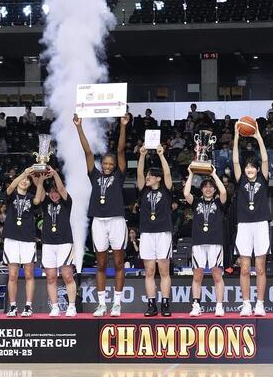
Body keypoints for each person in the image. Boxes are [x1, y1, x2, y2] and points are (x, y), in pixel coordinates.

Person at [76, 113, 129, 317]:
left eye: (110, 164)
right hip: (98, 221)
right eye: (105, 164)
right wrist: (79, 127)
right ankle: (101, 305)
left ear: (115, 166)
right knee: (101, 264)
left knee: (117, 263)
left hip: (116, 221)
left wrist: (123, 126)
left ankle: (117, 304)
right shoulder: (94, 174)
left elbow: (120, 149)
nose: (107, 166)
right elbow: (87, 151)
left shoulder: (119, 175)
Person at [232, 126, 271, 317]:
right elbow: (234, 161)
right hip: (244, 226)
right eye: (247, 166)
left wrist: (258, 137)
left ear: (256, 169)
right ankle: (246, 303)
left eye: (252, 166)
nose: (249, 169)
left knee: (261, 267)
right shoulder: (240, 181)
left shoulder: (263, 179)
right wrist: (235, 137)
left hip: (261, 224)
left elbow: (264, 159)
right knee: (245, 267)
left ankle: (260, 304)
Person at [183, 164, 228, 317]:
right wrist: (190, 174)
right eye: (205, 187)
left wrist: (214, 174)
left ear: (214, 189)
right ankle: (196, 305)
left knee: (217, 275)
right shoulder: (196, 202)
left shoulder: (218, 203)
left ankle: (219, 306)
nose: (208, 189)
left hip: (215, 242)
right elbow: (186, 192)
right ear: (201, 189)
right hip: (198, 243)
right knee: (197, 275)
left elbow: (223, 192)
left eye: (211, 187)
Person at [3, 167, 48, 317]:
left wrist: (40, 182)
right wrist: (24, 173)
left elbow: (38, 199)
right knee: (13, 275)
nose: (24, 181)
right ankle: (13, 306)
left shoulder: (30, 197)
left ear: (29, 184)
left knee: (29, 274)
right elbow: (9, 187)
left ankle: (28, 306)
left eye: (27, 180)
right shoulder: (11, 195)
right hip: (11, 238)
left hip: (28, 238)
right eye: (22, 179)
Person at [135, 146, 174, 317]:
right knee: (149, 271)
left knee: (164, 271)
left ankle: (165, 303)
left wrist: (161, 154)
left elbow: (167, 173)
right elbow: (138, 174)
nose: (147, 177)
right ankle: (151, 304)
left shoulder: (166, 189)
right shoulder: (143, 190)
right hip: (146, 233)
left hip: (163, 232)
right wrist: (142, 155)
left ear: (158, 178)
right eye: (147, 175)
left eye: (150, 175)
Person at [40, 169, 78, 317]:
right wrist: (41, 178)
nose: (54, 194)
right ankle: (55, 307)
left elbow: (61, 188)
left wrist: (55, 174)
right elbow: (40, 190)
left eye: (56, 191)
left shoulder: (67, 202)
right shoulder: (45, 202)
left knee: (67, 275)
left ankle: (72, 306)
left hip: (64, 242)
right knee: (50, 276)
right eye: (52, 192)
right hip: (48, 243)